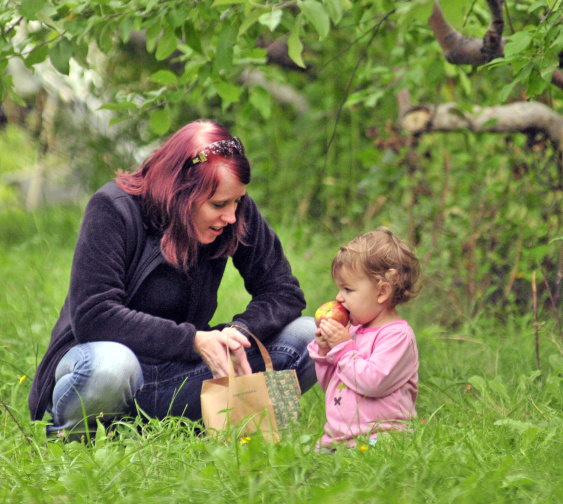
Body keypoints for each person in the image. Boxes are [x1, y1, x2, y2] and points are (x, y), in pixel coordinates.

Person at [27, 119, 318, 438]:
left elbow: (283, 291)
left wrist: (239, 332)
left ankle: (229, 426)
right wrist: (194, 340)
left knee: (309, 336)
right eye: (219, 204)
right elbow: (95, 316)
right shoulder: (114, 208)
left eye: (237, 202)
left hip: (178, 373)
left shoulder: (232, 213)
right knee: (113, 364)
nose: (232, 216)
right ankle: (76, 438)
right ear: (181, 193)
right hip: (107, 370)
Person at [309, 228, 420, 450]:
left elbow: (372, 383)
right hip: (339, 437)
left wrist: (342, 349)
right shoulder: (353, 332)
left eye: (348, 289)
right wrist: (325, 353)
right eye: (339, 288)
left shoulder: (397, 336)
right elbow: (334, 385)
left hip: (380, 438)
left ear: (382, 292)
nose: (339, 297)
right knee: (301, 469)